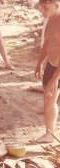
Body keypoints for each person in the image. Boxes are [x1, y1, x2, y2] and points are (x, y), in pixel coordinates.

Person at [34, 0, 60, 143]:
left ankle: (50, 135)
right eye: (41, 7)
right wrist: (39, 64)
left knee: (51, 99)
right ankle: (50, 134)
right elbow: (47, 44)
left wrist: (55, 78)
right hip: (51, 64)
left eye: (46, 7)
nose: (42, 10)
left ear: (57, 4)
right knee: (49, 99)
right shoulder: (50, 20)